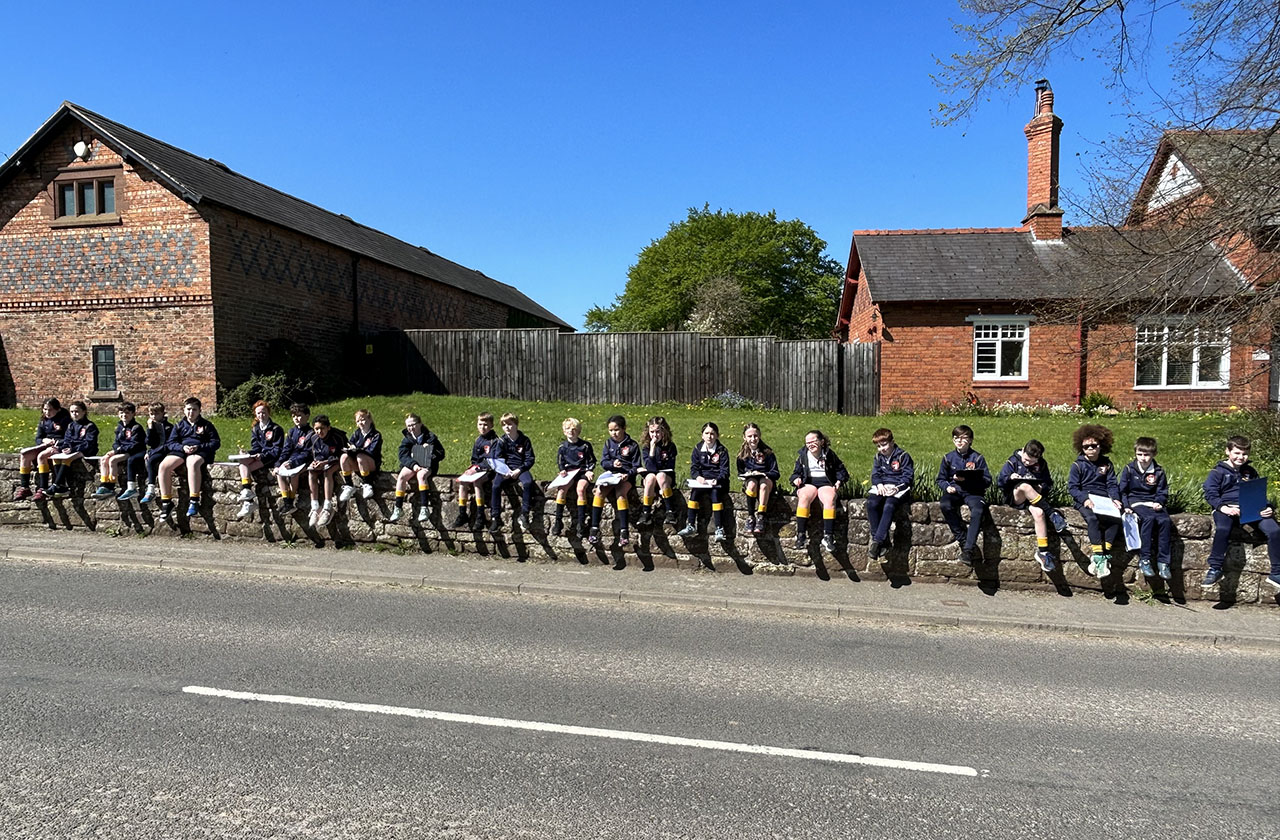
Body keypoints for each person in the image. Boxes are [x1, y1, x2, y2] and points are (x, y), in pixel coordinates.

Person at [1202, 434, 1280, 592]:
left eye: (1244, 454)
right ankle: (1215, 568)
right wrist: (1223, 508)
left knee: (1274, 530)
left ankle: (1277, 573)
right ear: (1227, 451)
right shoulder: (1217, 472)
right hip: (1226, 508)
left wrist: (1268, 507)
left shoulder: (1250, 472)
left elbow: (1258, 493)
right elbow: (1210, 494)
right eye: (1236, 453)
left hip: (1250, 508)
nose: (1241, 457)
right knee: (1223, 529)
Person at [1067, 424, 1124, 578]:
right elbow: (1072, 488)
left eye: (1094, 445)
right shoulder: (1077, 466)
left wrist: (1115, 499)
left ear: (1101, 446)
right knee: (1092, 519)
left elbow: (1111, 484)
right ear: (1081, 448)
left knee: (1116, 520)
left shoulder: (1107, 464)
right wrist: (1084, 499)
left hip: (1103, 500)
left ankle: (1104, 554)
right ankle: (1099, 556)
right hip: (1085, 499)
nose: (1090, 449)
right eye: (1086, 447)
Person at [997, 440, 1057, 573]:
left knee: (1039, 513)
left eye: (1031, 462)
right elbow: (1000, 481)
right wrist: (1010, 477)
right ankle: (1052, 513)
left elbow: (1048, 483)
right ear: (1023, 450)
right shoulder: (1013, 461)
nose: (1027, 463)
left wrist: (1042, 487)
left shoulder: (1042, 465)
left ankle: (1043, 552)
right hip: (1015, 496)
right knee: (1024, 486)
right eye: (1026, 460)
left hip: (1034, 499)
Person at [936, 424, 991, 566]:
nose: (959, 441)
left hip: (973, 492)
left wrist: (969, 479)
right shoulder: (948, 458)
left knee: (978, 510)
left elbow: (987, 480)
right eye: (956, 438)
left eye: (963, 438)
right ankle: (962, 538)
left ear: (971, 440)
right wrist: (947, 487)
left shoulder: (977, 458)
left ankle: (968, 549)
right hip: (955, 491)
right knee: (945, 504)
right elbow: (940, 479)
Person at [1118, 436, 1173, 580]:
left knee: (1165, 521)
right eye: (1139, 454)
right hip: (1136, 502)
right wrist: (1126, 506)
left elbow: (1162, 491)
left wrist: (1159, 501)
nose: (1143, 458)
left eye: (1146, 455)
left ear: (1154, 454)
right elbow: (1122, 491)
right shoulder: (1129, 469)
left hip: (1152, 502)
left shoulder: (1158, 471)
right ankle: (1145, 559)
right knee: (1148, 519)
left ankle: (1163, 562)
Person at [157, 396, 220, 520]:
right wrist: (182, 447)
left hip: (200, 451)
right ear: (184, 410)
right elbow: (171, 443)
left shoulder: (206, 425)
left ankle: (194, 500)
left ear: (199, 411)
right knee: (164, 466)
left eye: (194, 410)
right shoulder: (179, 425)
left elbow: (216, 442)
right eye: (189, 409)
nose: (191, 412)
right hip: (182, 450)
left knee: (192, 463)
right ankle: (166, 503)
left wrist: (199, 446)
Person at [789, 429, 848, 552]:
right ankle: (801, 535)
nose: (810, 445)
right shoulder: (803, 456)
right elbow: (795, 474)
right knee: (804, 496)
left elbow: (842, 471)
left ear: (822, 442)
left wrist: (838, 482)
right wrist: (796, 479)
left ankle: (828, 536)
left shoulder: (829, 455)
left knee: (830, 498)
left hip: (826, 482)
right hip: (809, 482)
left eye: (813, 441)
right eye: (807, 443)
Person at [865, 428, 914, 560]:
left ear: (892, 442)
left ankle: (877, 541)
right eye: (879, 446)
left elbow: (908, 478)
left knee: (889, 506)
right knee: (871, 503)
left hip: (899, 489)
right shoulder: (878, 457)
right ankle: (883, 542)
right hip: (883, 486)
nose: (882, 449)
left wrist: (897, 488)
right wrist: (879, 485)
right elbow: (875, 474)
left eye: (885, 445)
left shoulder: (903, 456)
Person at [590, 414, 639, 545]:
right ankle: (594, 528)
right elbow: (604, 462)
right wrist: (612, 464)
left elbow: (637, 466)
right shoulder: (608, 443)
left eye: (616, 430)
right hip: (611, 475)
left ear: (624, 428)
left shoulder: (632, 445)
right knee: (599, 491)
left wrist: (628, 474)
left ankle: (624, 531)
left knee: (621, 493)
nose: (614, 433)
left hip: (626, 477)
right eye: (611, 430)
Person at [679, 422, 732, 542]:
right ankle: (691, 525)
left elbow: (725, 470)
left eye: (712, 434)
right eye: (706, 433)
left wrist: (717, 479)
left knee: (715, 495)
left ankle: (719, 528)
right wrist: (697, 477)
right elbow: (694, 467)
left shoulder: (722, 450)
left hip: (717, 482)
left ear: (717, 435)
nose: (709, 436)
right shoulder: (698, 448)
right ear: (702, 435)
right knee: (694, 494)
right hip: (703, 481)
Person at [390, 413, 445, 524]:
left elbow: (441, 453)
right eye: (408, 426)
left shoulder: (430, 437)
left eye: (413, 425)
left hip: (427, 464)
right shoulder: (407, 439)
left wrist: (430, 452)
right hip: (413, 464)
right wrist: (413, 464)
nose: (411, 428)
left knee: (421, 475)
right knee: (402, 476)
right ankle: (398, 507)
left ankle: (424, 508)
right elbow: (403, 456)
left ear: (420, 424)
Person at [234, 401, 284, 520]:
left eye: (263, 412)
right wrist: (248, 453)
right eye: (258, 413)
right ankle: (248, 498)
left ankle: (248, 499)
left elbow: (277, 450)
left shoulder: (276, 429)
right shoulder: (256, 428)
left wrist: (261, 455)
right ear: (255, 415)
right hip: (260, 456)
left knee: (245, 468)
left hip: (271, 458)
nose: (261, 415)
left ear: (268, 413)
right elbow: (256, 447)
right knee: (243, 463)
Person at [15, 398, 71, 501]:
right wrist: (43, 440)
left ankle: (43, 488)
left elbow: (69, 438)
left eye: (50, 410)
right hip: (45, 444)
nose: (47, 412)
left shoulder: (65, 421)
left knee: (41, 456)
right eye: (45, 409)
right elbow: (38, 438)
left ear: (57, 409)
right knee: (25, 455)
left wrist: (56, 442)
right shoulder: (43, 421)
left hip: (58, 446)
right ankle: (25, 487)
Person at [451, 412, 497, 529]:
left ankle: (480, 515)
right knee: (462, 482)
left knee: (477, 483)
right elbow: (475, 459)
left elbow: (491, 461)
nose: (482, 427)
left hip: (490, 470)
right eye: (480, 424)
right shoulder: (478, 440)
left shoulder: (494, 441)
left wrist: (477, 468)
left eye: (486, 425)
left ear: (491, 425)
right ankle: (462, 513)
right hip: (477, 469)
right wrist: (471, 468)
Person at [92, 403, 146, 501]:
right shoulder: (119, 427)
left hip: (132, 452)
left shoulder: (136, 428)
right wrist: (116, 449)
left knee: (113, 460)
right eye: (121, 413)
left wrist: (119, 450)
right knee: (104, 459)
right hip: (121, 449)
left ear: (133, 414)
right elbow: (116, 442)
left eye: (127, 413)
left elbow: (135, 445)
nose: (124, 415)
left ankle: (111, 485)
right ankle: (104, 483)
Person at [551, 417, 595, 538]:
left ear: (578, 431)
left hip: (581, 472)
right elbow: (560, 462)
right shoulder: (562, 447)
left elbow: (591, 461)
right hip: (569, 473)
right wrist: (562, 471)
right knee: (561, 490)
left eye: (574, 429)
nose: (571, 431)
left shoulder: (585, 446)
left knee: (580, 490)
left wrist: (589, 471)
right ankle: (558, 521)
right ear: (564, 431)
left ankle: (581, 523)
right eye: (567, 429)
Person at [46, 401, 99, 499]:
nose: (74, 414)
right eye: (72, 412)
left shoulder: (90, 426)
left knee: (67, 459)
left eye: (77, 411)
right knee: (56, 458)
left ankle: (56, 484)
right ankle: (61, 486)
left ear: (84, 412)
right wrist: (61, 448)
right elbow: (67, 440)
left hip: (86, 450)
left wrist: (73, 449)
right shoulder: (71, 425)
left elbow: (89, 443)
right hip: (72, 450)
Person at [737, 422, 779, 537]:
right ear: (744, 437)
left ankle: (761, 515)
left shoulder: (768, 452)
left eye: (755, 436)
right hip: (751, 481)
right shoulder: (742, 455)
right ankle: (750, 516)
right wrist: (748, 474)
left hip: (766, 480)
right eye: (749, 436)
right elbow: (740, 473)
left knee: (763, 485)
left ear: (759, 436)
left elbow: (776, 473)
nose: (753, 439)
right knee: (751, 484)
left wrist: (764, 474)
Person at [306, 415, 348, 528]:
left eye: (322, 428)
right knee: (311, 472)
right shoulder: (313, 438)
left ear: (328, 427)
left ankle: (327, 506)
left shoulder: (337, 437)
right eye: (316, 429)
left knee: (327, 472)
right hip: (322, 462)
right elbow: (312, 454)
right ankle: (315, 507)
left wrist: (324, 463)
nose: (319, 431)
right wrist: (315, 463)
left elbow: (342, 454)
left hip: (338, 462)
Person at [272, 403, 313, 515]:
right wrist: (278, 464)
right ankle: (287, 502)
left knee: (294, 474)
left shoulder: (311, 433)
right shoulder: (291, 432)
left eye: (299, 415)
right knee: (280, 473)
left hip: (304, 461)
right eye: (294, 416)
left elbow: (307, 453)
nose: (296, 418)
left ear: (307, 416)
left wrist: (292, 462)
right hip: (291, 460)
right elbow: (286, 449)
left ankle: (291, 499)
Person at [637, 416, 678, 528]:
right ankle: (646, 512)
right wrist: (652, 449)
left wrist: (655, 468)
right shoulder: (646, 447)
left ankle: (670, 511)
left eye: (658, 432)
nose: (655, 435)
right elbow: (650, 467)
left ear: (664, 431)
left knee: (660, 476)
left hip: (665, 477)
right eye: (652, 432)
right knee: (650, 477)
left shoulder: (670, 446)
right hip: (651, 477)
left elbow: (669, 466)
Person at [339, 408, 383, 504]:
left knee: (360, 456)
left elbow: (372, 451)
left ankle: (367, 483)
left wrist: (358, 450)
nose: (361, 423)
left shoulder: (376, 435)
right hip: (357, 463)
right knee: (343, 457)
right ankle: (349, 485)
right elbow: (350, 444)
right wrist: (350, 449)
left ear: (370, 420)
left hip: (371, 463)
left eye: (363, 420)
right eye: (358, 421)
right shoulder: (356, 433)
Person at [138, 403, 173, 505]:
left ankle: (151, 488)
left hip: (165, 451)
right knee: (149, 459)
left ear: (162, 413)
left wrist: (152, 452)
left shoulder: (168, 427)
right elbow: (149, 442)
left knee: (152, 460)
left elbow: (166, 443)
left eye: (156, 414)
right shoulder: (152, 426)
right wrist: (150, 429)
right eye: (151, 414)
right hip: (155, 450)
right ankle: (150, 489)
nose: (153, 417)